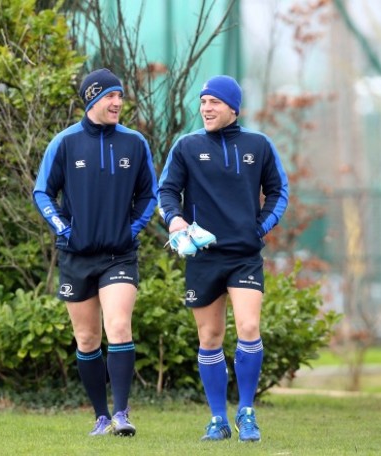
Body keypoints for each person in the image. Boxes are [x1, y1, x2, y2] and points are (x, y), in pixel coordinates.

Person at [158, 75, 289, 442]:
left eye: (214, 102)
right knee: (210, 336)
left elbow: (279, 191)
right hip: (203, 257)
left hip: (245, 255)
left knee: (248, 328)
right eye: (202, 103)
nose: (206, 109)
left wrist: (258, 228)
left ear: (233, 107)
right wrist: (175, 219)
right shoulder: (186, 147)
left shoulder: (258, 145)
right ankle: (218, 419)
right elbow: (166, 191)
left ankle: (246, 411)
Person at [32, 68, 158, 436]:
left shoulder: (135, 143)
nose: (118, 102)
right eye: (110, 97)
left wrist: (130, 229)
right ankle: (101, 417)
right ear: (91, 99)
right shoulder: (66, 142)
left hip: (119, 255)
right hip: (76, 255)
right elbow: (43, 192)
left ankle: (122, 414)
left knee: (118, 325)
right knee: (87, 339)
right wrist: (63, 229)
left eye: (120, 96)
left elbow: (149, 194)